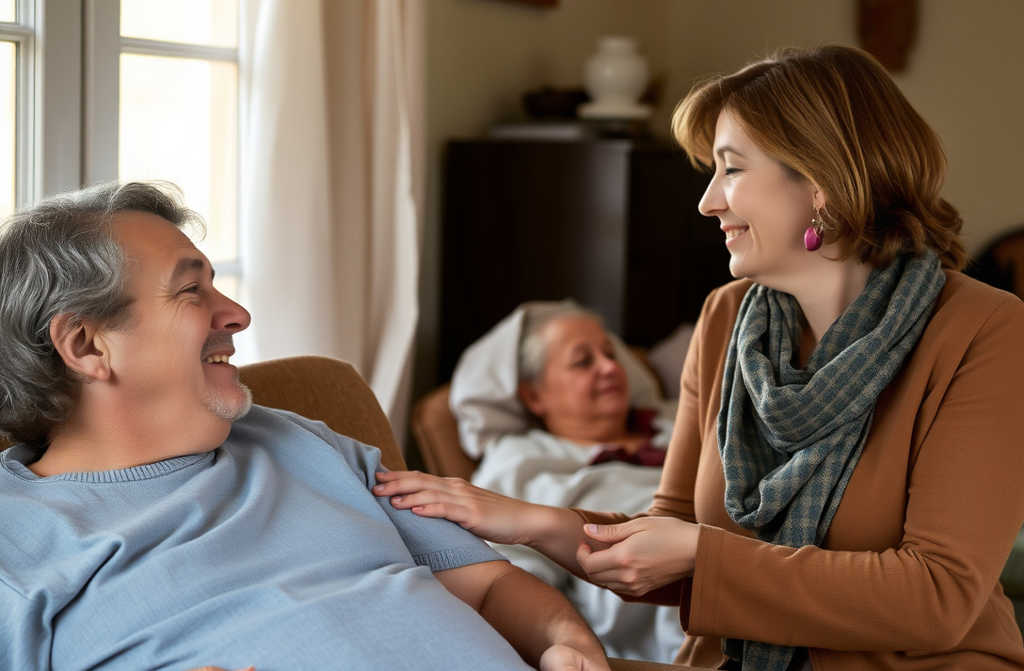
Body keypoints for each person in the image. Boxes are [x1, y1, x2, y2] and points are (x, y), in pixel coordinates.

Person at [374, 45, 1024, 670]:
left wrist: (703, 554)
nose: (708, 201)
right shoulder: (725, 319)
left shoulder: (986, 331)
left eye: (731, 169)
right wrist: (531, 522)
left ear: (820, 183)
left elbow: (937, 597)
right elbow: (671, 537)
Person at [0, 181, 611, 671]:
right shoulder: (15, 538)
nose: (237, 314)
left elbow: (490, 587)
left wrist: (567, 642)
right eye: (191, 290)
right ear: (86, 345)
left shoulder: (303, 442)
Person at [447, 301, 685, 661]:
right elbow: (513, 574)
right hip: (664, 592)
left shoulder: (679, 420)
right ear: (534, 396)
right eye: (583, 361)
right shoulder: (520, 463)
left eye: (610, 354)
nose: (610, 367)